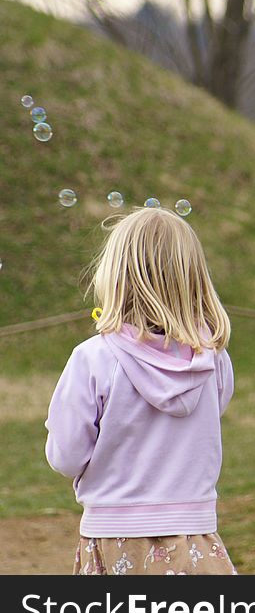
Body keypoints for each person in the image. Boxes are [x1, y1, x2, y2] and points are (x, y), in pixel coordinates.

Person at [45, 207, 235, 575]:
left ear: (114, 275)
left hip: (115, 541)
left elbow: (66, 457)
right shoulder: (214, 360)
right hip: (196, 541)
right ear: (194, 277)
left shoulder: (93, 359)